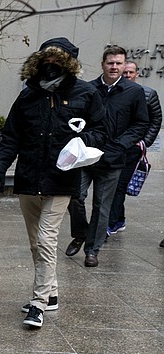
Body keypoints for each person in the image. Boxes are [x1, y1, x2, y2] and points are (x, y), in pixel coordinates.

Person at [0, 37, 106, 328]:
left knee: (46, 240)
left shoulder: (85, 93)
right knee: (35, 243)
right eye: (46, 60)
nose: (51, 65)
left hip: (61, 179)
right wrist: (0, 165)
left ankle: (38, 304)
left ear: (68, 63)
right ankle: (52, 293)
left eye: (57, 60)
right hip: (29, 178)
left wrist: (82, 139)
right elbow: (12, 135)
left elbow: (101, 131)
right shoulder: (28, 94)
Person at [64, 46, 149, 267]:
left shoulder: (134, 92)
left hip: (114, 158)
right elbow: (76, 118)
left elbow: (140, 123)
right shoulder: (87, 89)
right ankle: (80, 233)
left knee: (102, 205)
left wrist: (120, 145)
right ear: (103, 64)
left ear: (124, 65)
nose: (114, 67)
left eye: (119, 63)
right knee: (75, 196)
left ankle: (92, 249)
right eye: (110, 63)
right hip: (86, 155)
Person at [107, 61, 161, 235]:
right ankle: (118, 219)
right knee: (115, 186)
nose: (128, 75)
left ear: (137, 74)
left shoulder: (148, 94)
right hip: (115, 147)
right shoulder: (114, 93)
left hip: (134, 149)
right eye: (126, 73)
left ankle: (112, 222)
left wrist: (145, 142)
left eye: (131, 72)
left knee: (119, 185)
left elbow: (156, 120)